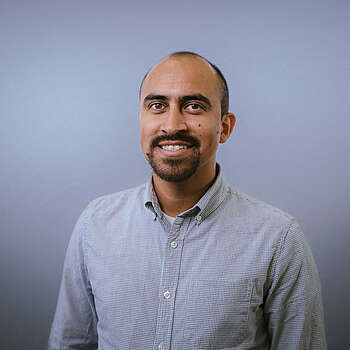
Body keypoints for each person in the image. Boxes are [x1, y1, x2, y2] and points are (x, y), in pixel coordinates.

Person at [48, 51, 327, 350]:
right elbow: (71, 343)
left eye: (193, 106)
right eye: (157, 106)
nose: (172, 125)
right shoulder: (95, 224)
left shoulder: (279, 239)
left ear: (225, 127)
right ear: (141, 121)